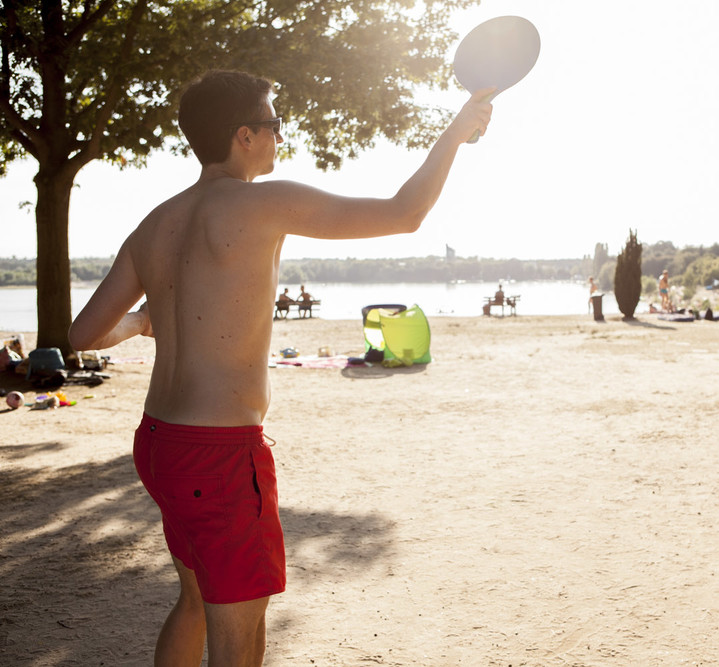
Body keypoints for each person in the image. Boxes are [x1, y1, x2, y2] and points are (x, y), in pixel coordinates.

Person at [68, 69, 493, 665]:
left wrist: (141, 322)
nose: (278, 137)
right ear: (244, 135)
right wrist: (454, 132)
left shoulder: (155, 223)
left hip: (159, 443)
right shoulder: (266, 202)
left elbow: (81, 335)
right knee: (239, 633)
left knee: (193, 601)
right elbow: (405, 212)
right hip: (217, 454)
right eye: (273, 125)